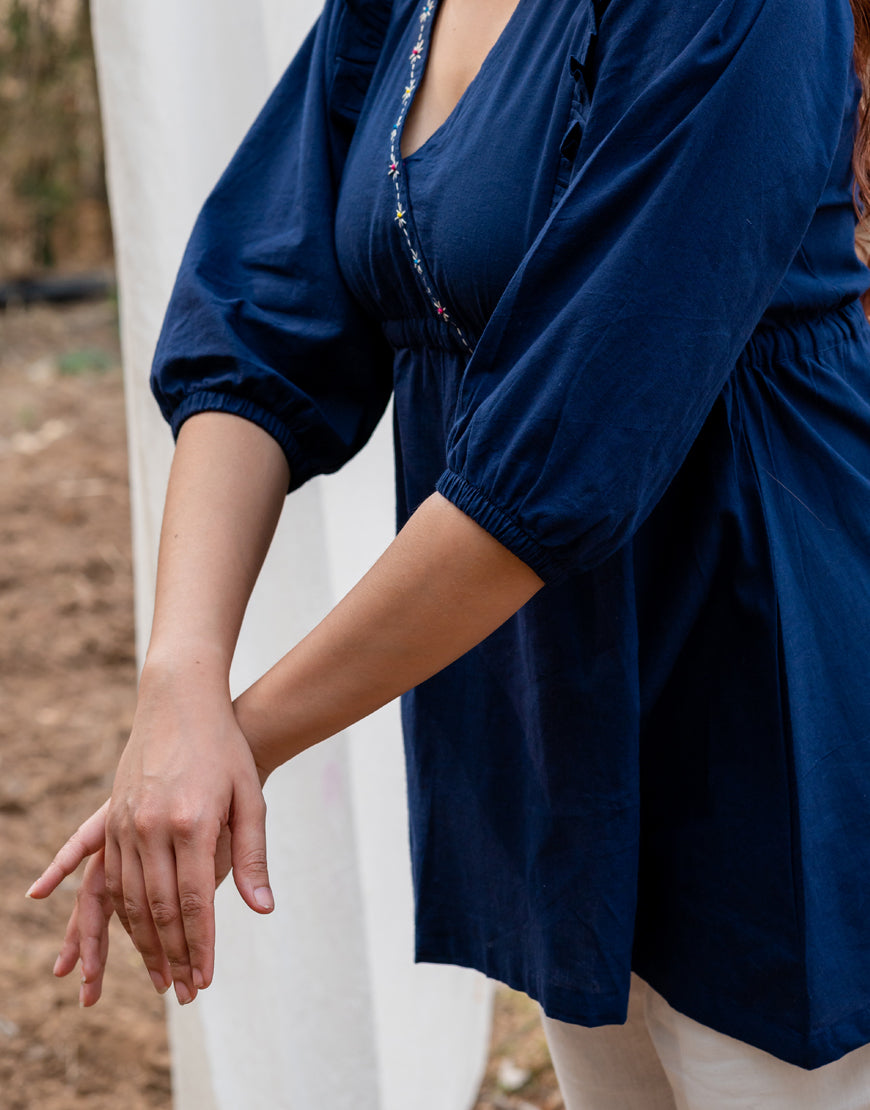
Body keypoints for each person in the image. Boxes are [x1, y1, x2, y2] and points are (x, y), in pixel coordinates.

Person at [27, 0, 870, 1104]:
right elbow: (259, 314)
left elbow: (563, 450)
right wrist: (178, 679)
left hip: (769, 705)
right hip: (559, 728)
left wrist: (236, 745)